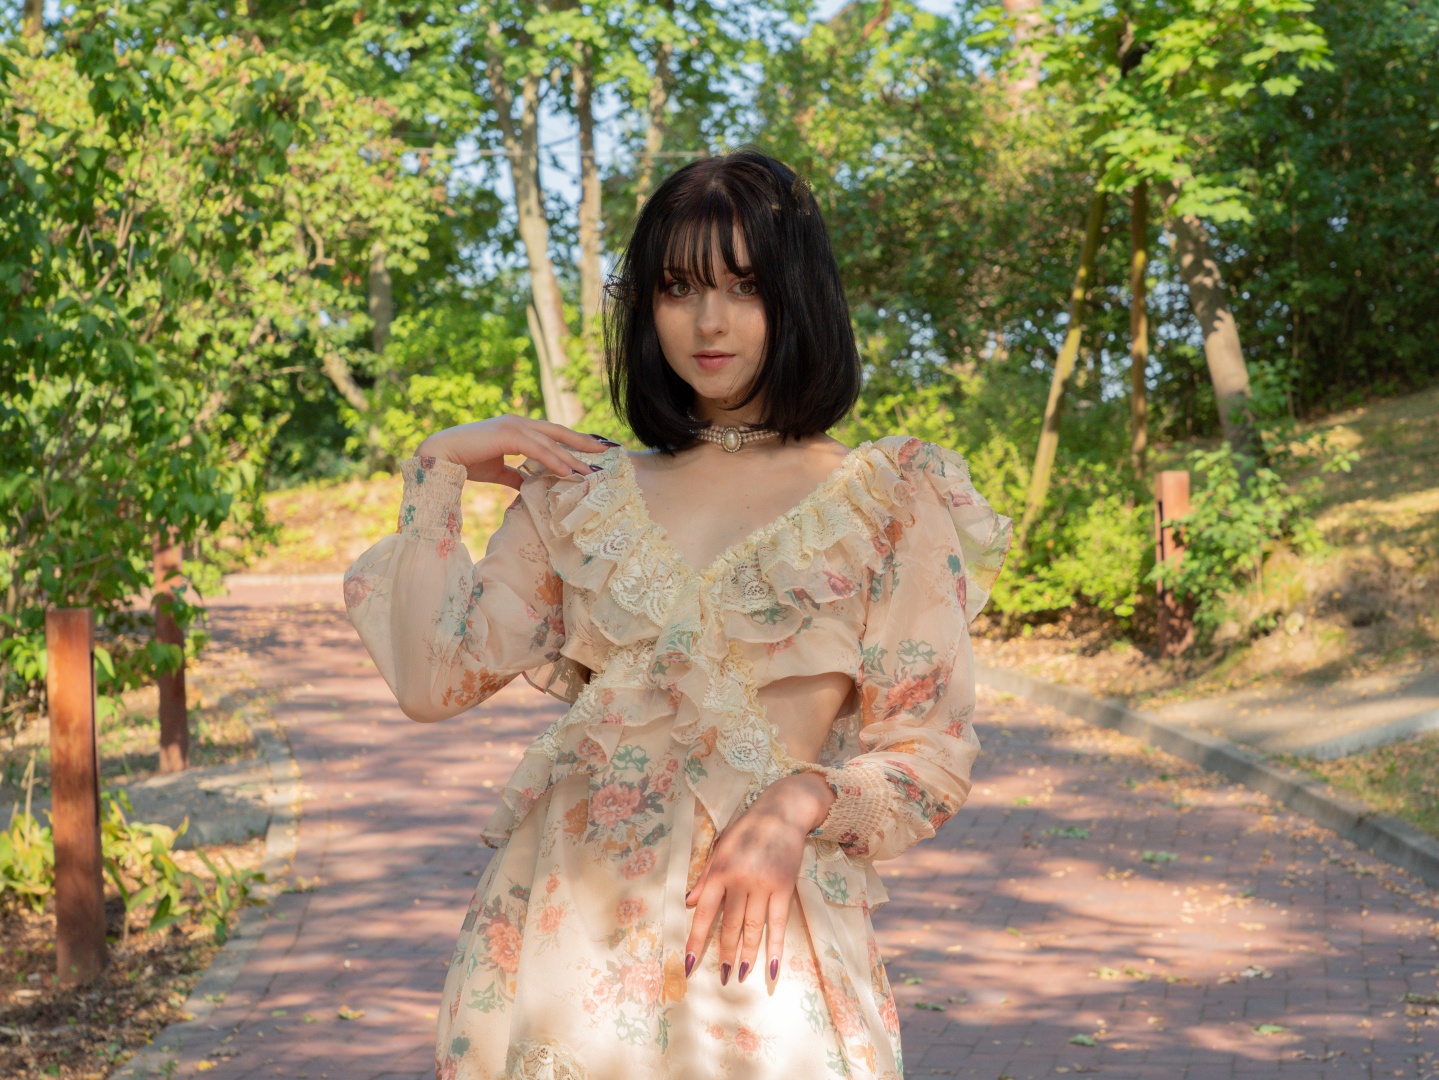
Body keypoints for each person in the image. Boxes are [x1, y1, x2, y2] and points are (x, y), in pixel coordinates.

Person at [343, 147, 1012, 1080]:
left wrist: (799, 800)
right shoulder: (582, 493)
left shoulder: (887, 499)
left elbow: (927, 755)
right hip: (562, 950)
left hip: (755, 951)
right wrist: (437, 467)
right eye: (676, 287)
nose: (708, 321)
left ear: (798, 295)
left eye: (745, 285)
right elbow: (432, 681)